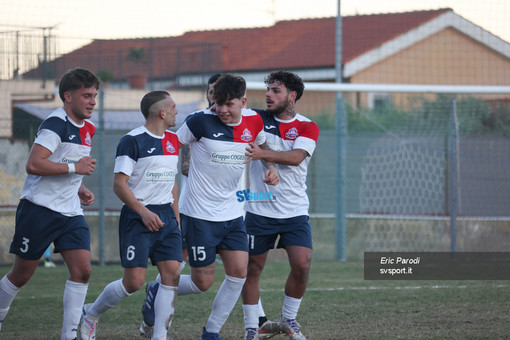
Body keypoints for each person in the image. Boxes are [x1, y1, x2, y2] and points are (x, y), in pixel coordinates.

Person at [147, 74, 278, 340]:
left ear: (242, 101)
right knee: (202, 283)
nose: (222, 110)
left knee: (239, 273)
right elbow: (172, 145)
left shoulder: (254, 121)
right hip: (199, 215)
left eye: (229, 104)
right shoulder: (199, 121)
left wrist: (271, 166)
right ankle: (158, 288)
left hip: (232, 215)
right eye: (218, 103)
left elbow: (261, 143)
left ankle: (211, 332)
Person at [0, 67, 99, 340]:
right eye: (86, 95)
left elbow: (67, 163)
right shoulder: (55, 124)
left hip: (70, 212)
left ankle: (69, 335)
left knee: (83, 271)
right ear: (68, 96)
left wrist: (79, 187)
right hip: (39, 209)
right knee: (21, 275)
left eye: (95, 96)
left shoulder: (88, 128)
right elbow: (34, 164)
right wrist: (74, 170)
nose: (92, 101)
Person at [79, 91, 182, 340]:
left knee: (172, 276)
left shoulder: (174, 141)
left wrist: (176, 217)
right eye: (173, 107)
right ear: (162, 112)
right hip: (138, 217)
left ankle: (159, 336)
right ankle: (90, 315)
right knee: (134, 282)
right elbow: (119, 184)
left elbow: (172, 183)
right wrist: (144, 212)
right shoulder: (132, 140)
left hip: (166, 216)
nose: (176, 111)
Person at [140, 73, 223, 337]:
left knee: (209, 280)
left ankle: (157, 292)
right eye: (212, 92)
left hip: (226, 211)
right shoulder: (196, 123)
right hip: (193, 210)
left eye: (221, 94)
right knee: (175, 268)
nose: (215, 98)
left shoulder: (240, 123)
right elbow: (183, 164)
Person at [241, 71, 320, 340]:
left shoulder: (308, 126)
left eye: (276, 90)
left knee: (302, 263)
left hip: (294, 210)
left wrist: (263, 154)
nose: (268, 94)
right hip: (258, 208)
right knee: (251, 268)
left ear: (292, 96)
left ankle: (289, 320)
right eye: (268, 90)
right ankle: (253, 327)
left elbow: (297, 157)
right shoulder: (255, 118)